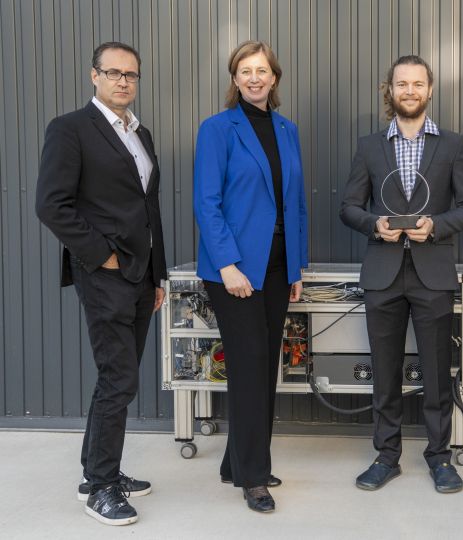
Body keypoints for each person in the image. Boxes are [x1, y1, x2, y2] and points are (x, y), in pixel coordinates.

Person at [35, 41, 167, 526]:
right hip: (106, 275)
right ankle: (102, 489)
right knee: (120, 379)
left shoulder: (140, 134)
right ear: (94, 76)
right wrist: (103, 256)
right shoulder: (70, 130)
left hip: (140, 276)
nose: (123, 81)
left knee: (118, 376)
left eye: (131, 74)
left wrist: (159, 276)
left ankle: (96, 473)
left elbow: (149, 211)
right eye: (113, 73)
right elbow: (51, 205)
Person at [340, 55, 463, 494]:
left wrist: (436, 226)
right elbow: (349, 207)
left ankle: (439, 457)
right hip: (383, 273)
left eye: (417, 84)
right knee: (385, 372)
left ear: (430, 90)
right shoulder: (369, 146)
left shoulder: (453, 144)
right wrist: (374, 225)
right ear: (391, 90)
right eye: (402, 84)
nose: (410, 91)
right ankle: (386, 457)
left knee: (438, 372)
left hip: (432, 272)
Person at [193, 40, 308, 513]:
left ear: (274, 77)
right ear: (234, 78)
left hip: (279, 268)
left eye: (262, 70)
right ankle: (254, 477)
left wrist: (296, 265)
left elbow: (295, 203)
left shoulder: (286, 129)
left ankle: (237, 463)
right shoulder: (218, 129)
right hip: (235, 271)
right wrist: (226, 264)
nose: (255, 77)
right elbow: (207, 201)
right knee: (249, 367)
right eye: (245, 70)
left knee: (264, 368)